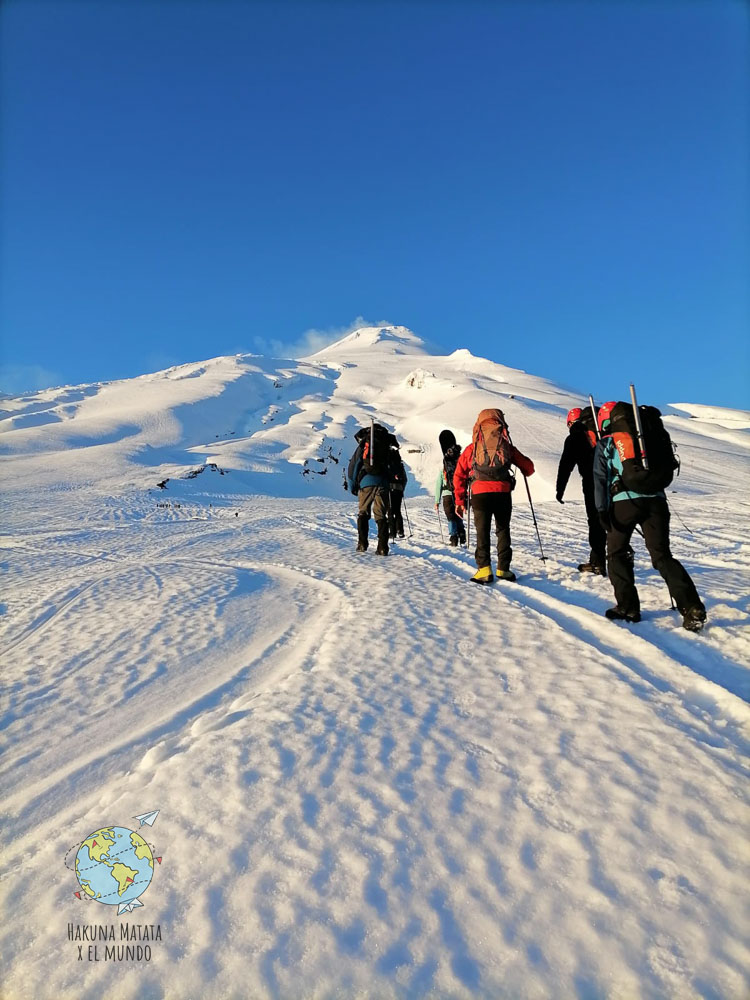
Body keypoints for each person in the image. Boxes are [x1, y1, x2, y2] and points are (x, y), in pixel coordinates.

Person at [593, 401, 707, 631]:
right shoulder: (647, 437)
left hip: (624, 503)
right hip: (657, 501)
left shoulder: (608, 442)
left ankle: (627, 607)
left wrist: (601, 510)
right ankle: (691, 606)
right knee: (662, 555)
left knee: (616, 552)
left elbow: (601, 479)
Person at [453, 408, 535, 584]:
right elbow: (529, 468)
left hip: (480, 494)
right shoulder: (505, 445)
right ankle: (503, 569)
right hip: (502, 493)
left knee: (482, 531)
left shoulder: (472, 448)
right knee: (502, 530)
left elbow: (459, 474)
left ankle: (484, 570)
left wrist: (460, 500)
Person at [556, 406, 606, 575]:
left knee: (595, 520)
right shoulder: (602, 432)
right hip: (613, 481)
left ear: (570, 422)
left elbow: (565, 466)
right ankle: (622, 553)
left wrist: (559, 490)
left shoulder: (574, 437)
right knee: (613, 517)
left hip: (592, 483)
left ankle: (598, 562)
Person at [347, 423, 396, 555]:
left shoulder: (363, 445)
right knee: (381, 515)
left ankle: (362, 544)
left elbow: (354, 466)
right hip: (383, 483)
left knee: (363, 513)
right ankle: (382, 547)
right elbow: (394, 465)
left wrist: (352, 486)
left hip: (365, 483)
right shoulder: (387, 445)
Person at [435, 430, 466, 546]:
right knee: (458, 513)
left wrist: (436, 501)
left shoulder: (444, 469)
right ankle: (462, 534)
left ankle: (453, 537)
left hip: (447, 494)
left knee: (450, 516)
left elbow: (439, 484)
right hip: (459, 491)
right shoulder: (459, 461)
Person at [388, 434, 408, 539]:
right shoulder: (399, 463)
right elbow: (405, 478)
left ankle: (392, 532)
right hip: (399, 489)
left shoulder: (388, 461)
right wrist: (401, 488)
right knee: (397, 510)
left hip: (390, 488)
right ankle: (400, 531)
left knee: (390, 510)